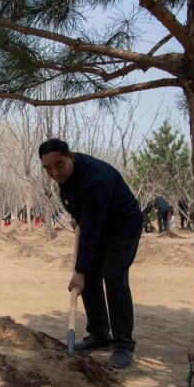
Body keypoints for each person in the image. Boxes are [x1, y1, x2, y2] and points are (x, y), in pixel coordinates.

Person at [38, 139, 143, 369]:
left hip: (122, 227)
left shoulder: (96, 180)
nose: (54, 172)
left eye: (59, 165)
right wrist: (77, 214)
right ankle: (99, 334)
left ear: (71, 157)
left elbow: (92, 229)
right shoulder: (66, 175)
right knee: (91, 278)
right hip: (97, 223)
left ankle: (124, 344)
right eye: (47, 168)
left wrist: (78, 271)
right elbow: (82, 208)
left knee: (113, 276)